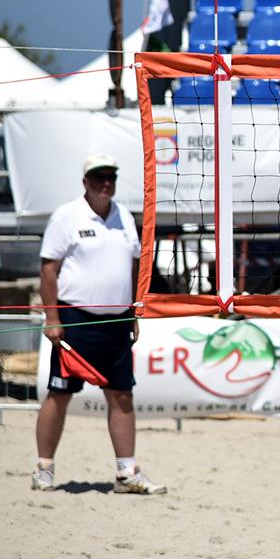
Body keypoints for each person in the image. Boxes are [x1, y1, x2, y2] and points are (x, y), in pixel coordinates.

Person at [31, 153, 166, 495]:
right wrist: (52, 318)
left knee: (121, 394)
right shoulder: (67, 216)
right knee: (60, 394)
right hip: (75, 319)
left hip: (117, 320)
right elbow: (48, 271)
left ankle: (126, 472)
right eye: (98, 177)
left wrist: (134, 311)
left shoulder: (124, 216)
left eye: (111, 177)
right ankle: (44, 468)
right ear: (85, 181)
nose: (106, 183)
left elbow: (134, 268)